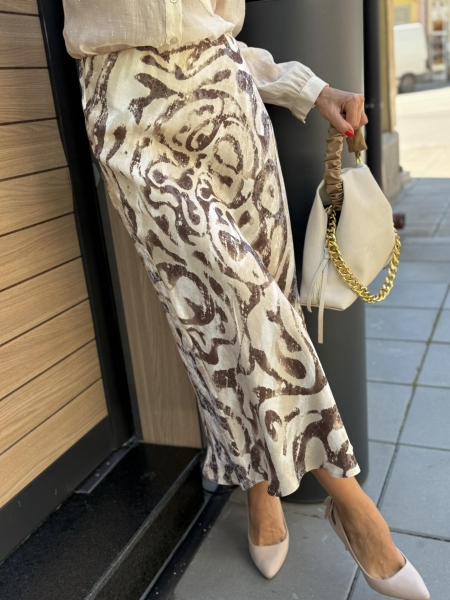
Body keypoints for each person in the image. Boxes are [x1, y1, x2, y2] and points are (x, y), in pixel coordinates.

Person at [61, 1, 429, 598]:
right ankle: (352, 505)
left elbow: (216, 30)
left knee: (270, 300)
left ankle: (260, 489)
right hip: (130, 108)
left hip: (231, 101)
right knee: (228, 310)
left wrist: (307, 89)